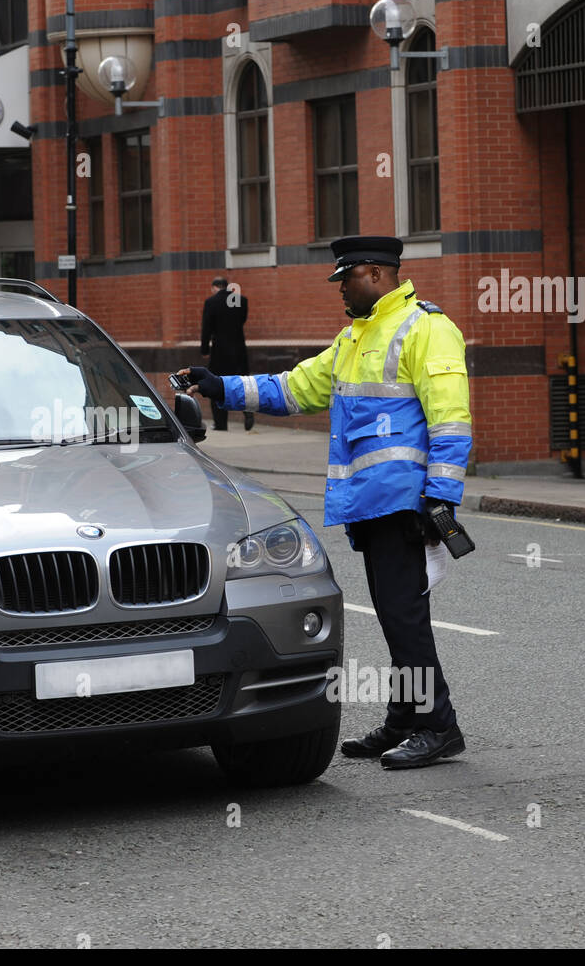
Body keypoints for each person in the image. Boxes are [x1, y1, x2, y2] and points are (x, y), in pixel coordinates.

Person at [182, 236, 471, 769]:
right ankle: (406, 720)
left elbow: (451, 422)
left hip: (403, 505)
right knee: (394, 615)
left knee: (404, 618)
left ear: (378, 274)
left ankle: (438, 724)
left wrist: (439, 500)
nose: (341, 289)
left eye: (348, 279)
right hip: (372, 504)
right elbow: (293, 390)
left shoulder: (426, 329)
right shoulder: (354, 339)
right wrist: (218, 386)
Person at [200, 276, 254, 432]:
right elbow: (242, 320)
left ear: (214, 287)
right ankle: (248, 411)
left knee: (218, 385)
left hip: (220, 352)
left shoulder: (211, 302)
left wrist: (205, 349)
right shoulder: (241, 301)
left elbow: (206, 328)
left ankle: (221, 423)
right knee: (244, 384)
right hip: (239, 350)